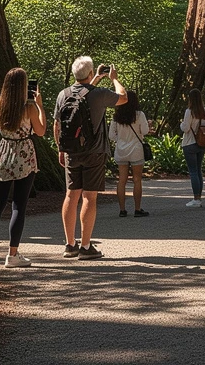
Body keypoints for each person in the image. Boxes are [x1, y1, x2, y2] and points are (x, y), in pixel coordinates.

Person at [55, 57, 127, 260]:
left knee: (71, 195)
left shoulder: (63, 94)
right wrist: (114, 78)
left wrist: (61, 149)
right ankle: (86, 246)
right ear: (89, 73)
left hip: (71, 151)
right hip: (94, 152)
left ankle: (70, 244)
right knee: (89, 197)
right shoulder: (100, 94)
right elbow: (123, 98)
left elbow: (57, 124)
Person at [0, 68, 46, 267]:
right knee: (18, 205)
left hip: (4, 152)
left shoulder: (0, 106)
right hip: (24, 154)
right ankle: (13, 254)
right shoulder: (29, 107)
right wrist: (40, 105)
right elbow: (41, 131)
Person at [108, 89, 151, 217]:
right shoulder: (139, 115)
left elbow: (111, 136)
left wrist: (120, 140)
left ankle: (122, 210)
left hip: (121, 151)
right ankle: (137, 209)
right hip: (136, 150)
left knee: (122, 180)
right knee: (137, 180)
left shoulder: (116, 117)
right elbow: (145, 131)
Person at [180, 88, 205, 207]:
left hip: (190, 143)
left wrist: (181, 124)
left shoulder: (189, 112)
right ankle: (199, 197)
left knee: (193, 171)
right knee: (198, 170)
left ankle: (196, 198)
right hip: (202, 143)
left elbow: (186, 128)